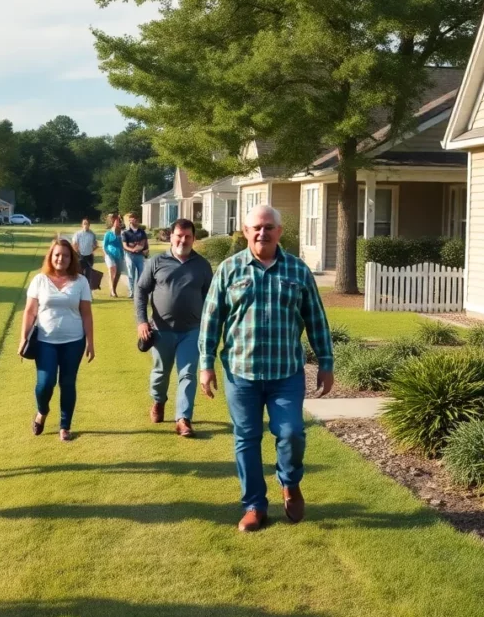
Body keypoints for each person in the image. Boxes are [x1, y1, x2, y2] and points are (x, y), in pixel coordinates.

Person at [198, 204, 334, 533]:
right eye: (256, 227)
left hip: (285, 373)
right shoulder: (229, 270)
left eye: (269, 227)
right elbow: (211, 320)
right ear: (245, 232)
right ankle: (255, 506)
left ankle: (289, 483)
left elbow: (316, 319)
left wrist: (326, 362)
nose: (262, 232)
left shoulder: (298, 271)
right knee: (247, 438)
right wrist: (206, 364)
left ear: (280, 231)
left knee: (291, 433)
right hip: (240, 373)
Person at [135, 218, 214, 438]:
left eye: (188, 236)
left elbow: (211, 298)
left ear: (194, 238)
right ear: (171, 236)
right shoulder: (156, 262)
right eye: (179, 235)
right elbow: (141, 291)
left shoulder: (202, 265)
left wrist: (210, 328)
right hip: (161, 330)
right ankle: (158, 401)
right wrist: (142, 321)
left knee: (188, 374)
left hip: (191, 331)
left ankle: (183, 419)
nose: (183, 240)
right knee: (160, 374)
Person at [20, 239, 95, 441]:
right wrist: (23, 338)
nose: (61, 258)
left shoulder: (81, 281)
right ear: (50, 257)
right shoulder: (39, 280)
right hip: (45, 341)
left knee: (68, 383)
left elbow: (86, 313)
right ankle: (42, 411)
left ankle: (65, 426)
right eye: (57, 255)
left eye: (66, 255)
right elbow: (29, 312)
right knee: (45, 383)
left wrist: (90, 341)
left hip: (74, 341)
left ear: (72, 258)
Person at [121, 212, 149, 298]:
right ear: (129, 221)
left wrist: (145, 250)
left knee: (141, 274)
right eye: (132, 219)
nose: (134, 221)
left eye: (136, 219)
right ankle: (132, 292)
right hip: (130, 255)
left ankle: (140, 292)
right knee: (131, 274)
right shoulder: (125, 233)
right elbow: (125, 245)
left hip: (140, 256)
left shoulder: (142, 232)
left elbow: (144, 243)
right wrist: (132, 249)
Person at [102, 213, 125, 297]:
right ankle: (112, 291)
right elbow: (104, 246)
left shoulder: (120, 234)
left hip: (118, 255)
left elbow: (122, 245)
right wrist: (107, 254)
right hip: (109, 255)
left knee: (117, 273)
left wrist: (122, 256)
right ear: (113, 222)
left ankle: (113, 288)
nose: (118, 223)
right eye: (116, 221)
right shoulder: (108, 234)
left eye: (119, 222)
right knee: (112, 270)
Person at [71, 217, 98, 282]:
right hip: (80, 256)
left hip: (89, 257)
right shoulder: (77, 234)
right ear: (82, 225)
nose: (86, 225)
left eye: (87, 224)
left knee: (88, 275)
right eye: (84, 223)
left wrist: (92, 249)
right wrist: (78, 253)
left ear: (89, 225)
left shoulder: (92, 234)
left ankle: (87, 290)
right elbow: (74, 244)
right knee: (79, 275)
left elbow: (95, 245)